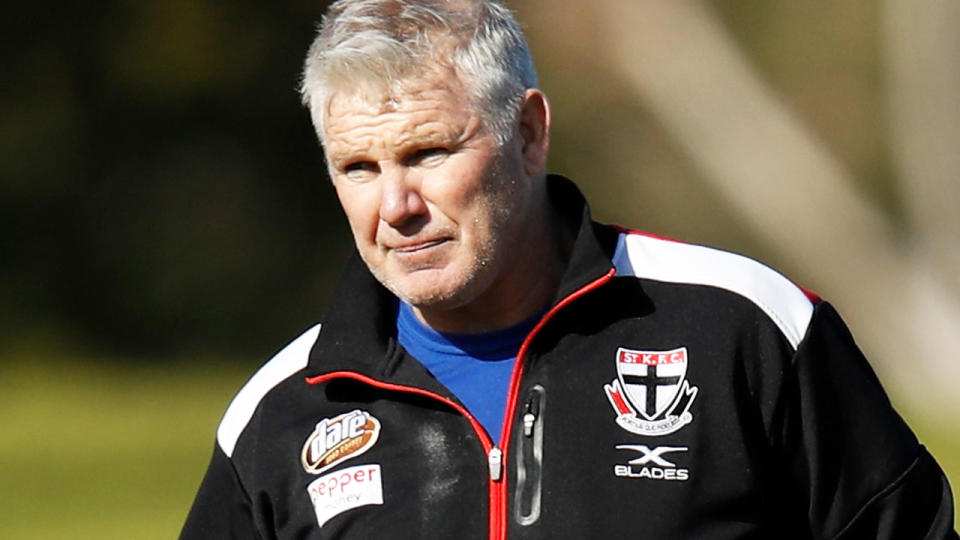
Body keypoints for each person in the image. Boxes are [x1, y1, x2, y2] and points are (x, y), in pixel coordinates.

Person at [180, 1, 958, 538]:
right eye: (357, 167)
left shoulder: (743, 329)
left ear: (527, 133)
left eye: (428, 153)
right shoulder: (282, 414)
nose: (396, 205)